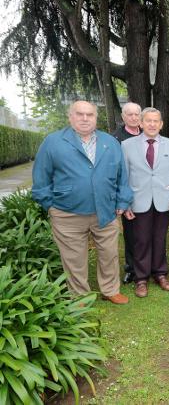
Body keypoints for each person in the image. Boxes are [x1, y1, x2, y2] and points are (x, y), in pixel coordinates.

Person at [32, 100, 132, 304]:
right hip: (67, 213)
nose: (85, 118)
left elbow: (123, 175)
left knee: (109, 254)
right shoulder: (53, 142)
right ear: (70, 117)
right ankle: (80, 296)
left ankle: (110, 289)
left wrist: (122, 201)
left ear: (96, 118)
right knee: (74, 258)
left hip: (106, 211)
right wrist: (50, 206)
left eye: (90, 115)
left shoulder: (110, 142)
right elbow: (41, 179)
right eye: (80, 114)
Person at [122, 107, 169, 298]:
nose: (152, 124)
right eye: (148, 120)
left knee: (159, 239)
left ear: (161, 124)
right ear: (140, 123)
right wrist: (125, 204)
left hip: (163, 201)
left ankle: (160, 274)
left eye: (156, 121)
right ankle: (141, 278)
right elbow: (123, 176)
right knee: (141, 241)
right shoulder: (127, 145)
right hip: (138, 202)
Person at [112, 102, 142, 284]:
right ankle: (131, 269)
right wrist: (123, 201)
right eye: (129, 114)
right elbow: (116, 171)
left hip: (148, 194)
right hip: (128, 194)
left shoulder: (149, 134)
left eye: (136, 114)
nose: (133, 117)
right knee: (131, 235)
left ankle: (149, 266)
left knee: (146, 235)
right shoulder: (115, 138)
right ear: (123, 117)